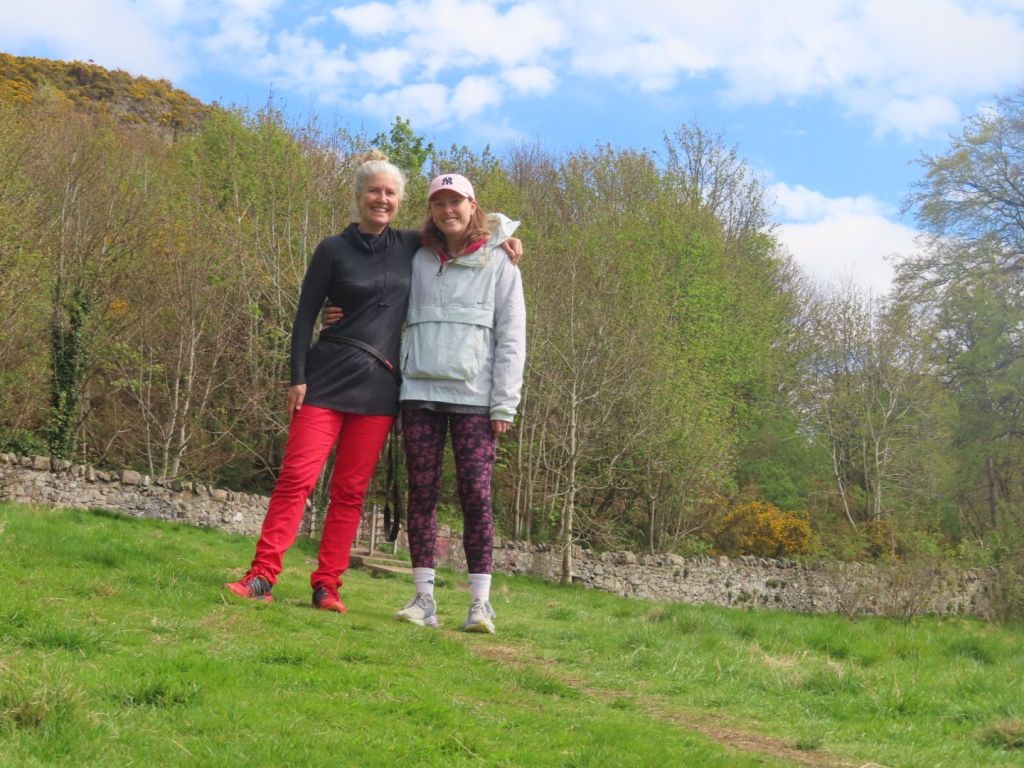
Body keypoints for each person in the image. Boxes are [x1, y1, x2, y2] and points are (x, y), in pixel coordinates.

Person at [224, 153, 521, 614]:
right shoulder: (332, 249)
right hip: (325, 380)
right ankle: (262, 575)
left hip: (380, 389)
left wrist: (506, 240)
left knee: (350, 493)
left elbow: (465, 229)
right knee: (296, 480)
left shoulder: (412, 246)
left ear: (400, 201)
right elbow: (305, 316)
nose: (382, 199)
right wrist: (297, 377)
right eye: (374, 191)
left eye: (390, 192)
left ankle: (327, 586)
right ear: (359, 196)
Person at [394, 173, 526, 634]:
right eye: (439, 203)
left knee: (476, 496)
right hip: (418, 393)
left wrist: (504, 403)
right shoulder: (415, 256)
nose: (447, 210)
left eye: (456, 202)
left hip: (475, 398)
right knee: (421, 494)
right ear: (430, 211)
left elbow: (512, 336)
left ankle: (480, 605)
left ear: (473, 205)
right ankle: (423, 600)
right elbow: (378, 293)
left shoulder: (501, 261)